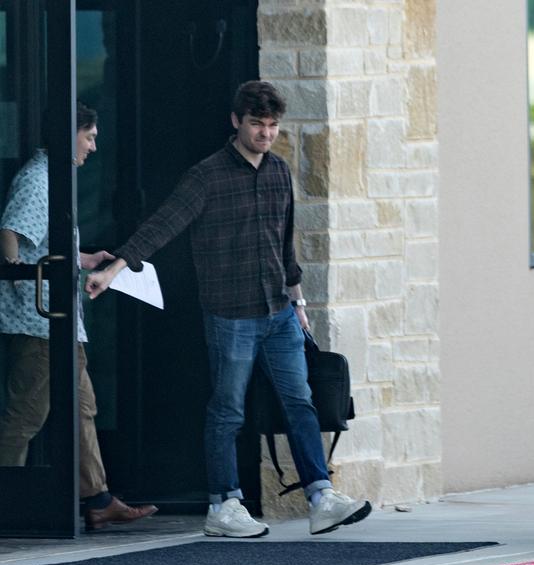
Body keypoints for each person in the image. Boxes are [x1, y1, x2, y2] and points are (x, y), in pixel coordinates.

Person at [85, 81, 372, 538]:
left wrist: (299, 305)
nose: (265, 133)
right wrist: (115, 267)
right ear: (236, 122)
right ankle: (224, 504)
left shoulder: (279, 172)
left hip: (279, 311)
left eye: (273, 125)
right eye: (257, 124)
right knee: (228, 410)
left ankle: (321, 497)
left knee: (301, 403)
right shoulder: (207, 177)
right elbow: (163, 225)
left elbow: (285, 245)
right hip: (230, 314)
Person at [0, 102, 158, 530]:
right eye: (88, 136)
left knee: (81, 409)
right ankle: (7, 497)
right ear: (69, 135)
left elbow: (44, 246)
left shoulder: (54, 179)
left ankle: (99, 498)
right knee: (26, 416)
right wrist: (18, 279)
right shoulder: (39, 179)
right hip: (41, 324)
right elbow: (11, 233)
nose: (92, 145)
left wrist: (84, 259)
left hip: (60, 321)